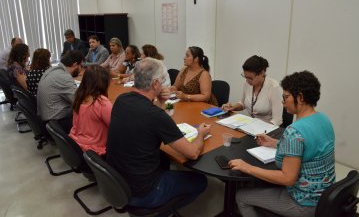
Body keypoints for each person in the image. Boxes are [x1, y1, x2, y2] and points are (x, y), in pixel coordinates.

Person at [107, 58, 209, 211]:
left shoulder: (121, 100)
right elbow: (193, 153)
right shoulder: (155, 115)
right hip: (144, 192)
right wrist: (201, 134)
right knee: (201, 181)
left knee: (163, 159)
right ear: (155, 84)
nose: (163, 84)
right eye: (161, 81)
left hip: (118, 182)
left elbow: (151, 124)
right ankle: (163, 211)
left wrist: (160, 101)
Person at [229, 70, 335, 217]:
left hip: (304, 202)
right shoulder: (323, 119)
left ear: (300, 98)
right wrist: (276, 143)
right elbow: (308, 148)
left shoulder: (294, 131)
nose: (283, 102)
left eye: (286, 97)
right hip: (324, 195)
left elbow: (288, 178)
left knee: (241, 197)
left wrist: (247, 168)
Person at [222, 55, 283, 126]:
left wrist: (262, 130)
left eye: (250, 78)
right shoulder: (247, 84)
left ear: (262, 73)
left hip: (266, 130)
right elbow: (243, 103)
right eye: (245, 77)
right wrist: (232, 107)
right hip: (250, 125)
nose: (247, 81)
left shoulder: (274, 87)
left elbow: (277, 120)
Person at [37, 50, 84, 134]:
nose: (81, 69)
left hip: (47, 119)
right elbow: (79, 103)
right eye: (81, 65)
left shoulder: (52, 70)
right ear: (75, 64)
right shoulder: (64, 77)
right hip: (57, 123)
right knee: (92, 118)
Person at [69, 65, 112, 156]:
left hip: (75, 144)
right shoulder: (101, 102)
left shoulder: (78, 96)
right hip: (94, 150)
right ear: (103, 82)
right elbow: (115, 127)